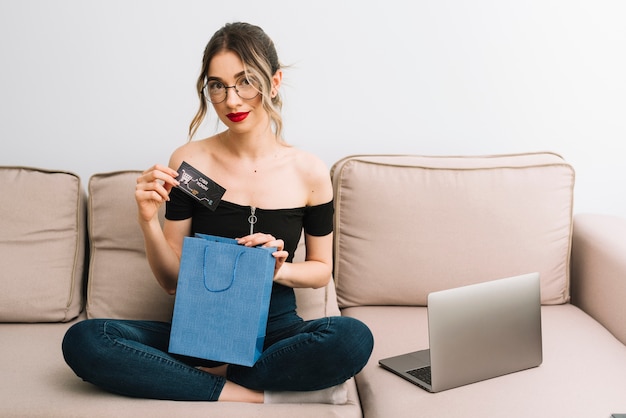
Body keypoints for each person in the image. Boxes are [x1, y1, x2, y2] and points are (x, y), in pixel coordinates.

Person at [62, 21, 374, 404]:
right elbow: (172, 281)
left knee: (353, 337)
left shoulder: (308, 172)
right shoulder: (192, 162)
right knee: (86, 340)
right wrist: (147, 220)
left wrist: (281, 268)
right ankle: (248, 394)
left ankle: (214, 378)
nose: (232, 100)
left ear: (274, 82)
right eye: (217, 86)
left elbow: (321, 269)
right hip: (197, 332)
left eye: (246, 81)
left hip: (275, 335)